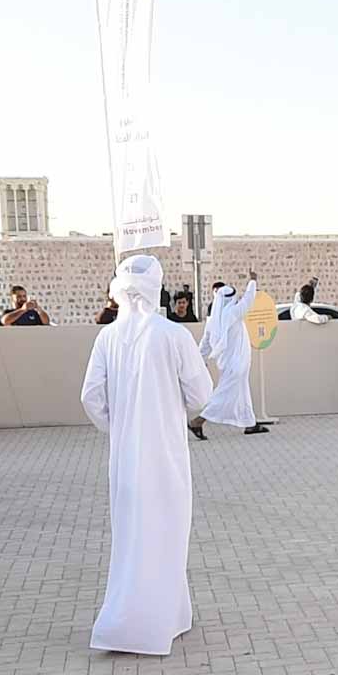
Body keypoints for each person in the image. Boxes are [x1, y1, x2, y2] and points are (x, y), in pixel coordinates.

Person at [80, 255, 214, 654]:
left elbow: (90, 397)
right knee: (167, 530)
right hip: (166, 454)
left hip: (124, 457)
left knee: (131, 534)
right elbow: (201, 395)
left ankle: (166, 614)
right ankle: (151, 621)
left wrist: (120, 428)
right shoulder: (172, 335)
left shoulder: (106, 337)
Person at [194, 274, 262, 437]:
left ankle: (249, 423)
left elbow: (205, 345)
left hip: (227, 363)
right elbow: (248, 300)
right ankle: (197, 422)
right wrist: (252, 281)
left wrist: (197, 360)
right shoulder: (232, 312)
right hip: (237, 364)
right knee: (223, 394)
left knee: (242, 392)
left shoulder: (213, 321)